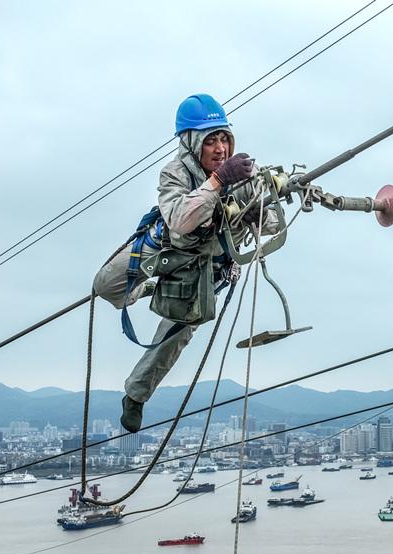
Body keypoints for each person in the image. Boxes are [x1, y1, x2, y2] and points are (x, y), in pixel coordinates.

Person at [93, 93, 281, 433]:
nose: (220, 148)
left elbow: (272, 225)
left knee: (175, 335)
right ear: (193, 142)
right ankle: (143, 289)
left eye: (224, 138)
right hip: (166, 247)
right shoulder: (176, 173)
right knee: (105, 285)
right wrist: (219, 180)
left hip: (208, 263)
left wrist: (259, 210)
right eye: (211, 141)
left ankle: (135, 395)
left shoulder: (243, 174)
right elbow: (180, 219)